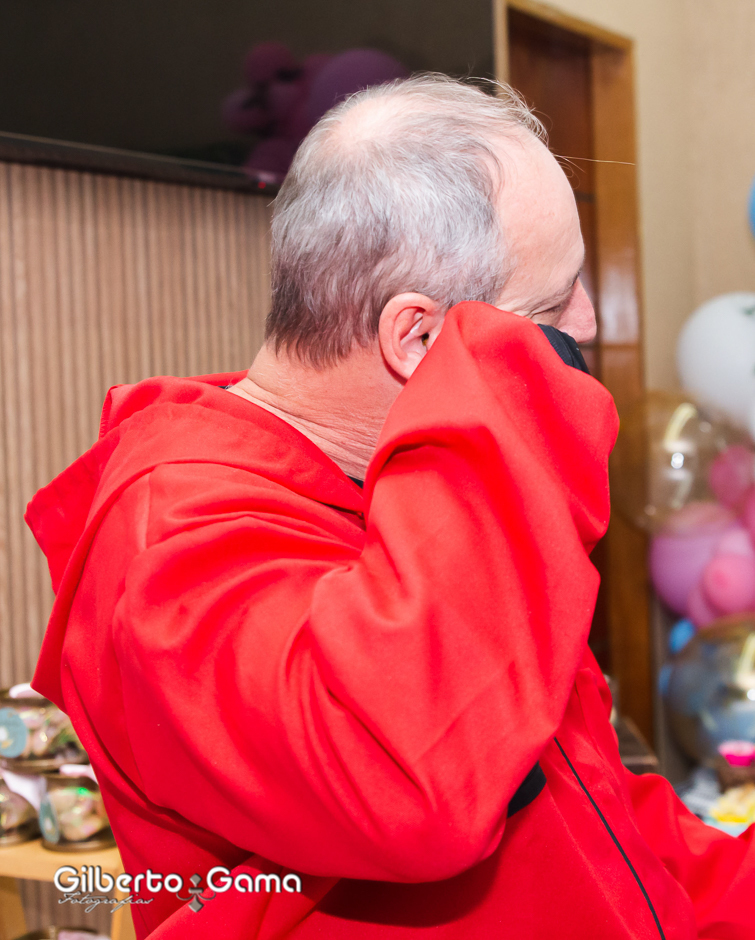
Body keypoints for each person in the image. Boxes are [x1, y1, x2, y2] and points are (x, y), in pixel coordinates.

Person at [27, 76, 754, 939]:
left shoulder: (414, 491)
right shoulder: (174, 542)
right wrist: (509, 406)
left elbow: (603, 826)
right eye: (551, 308)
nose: (588, 326)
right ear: (416, 338)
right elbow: (409, 780)